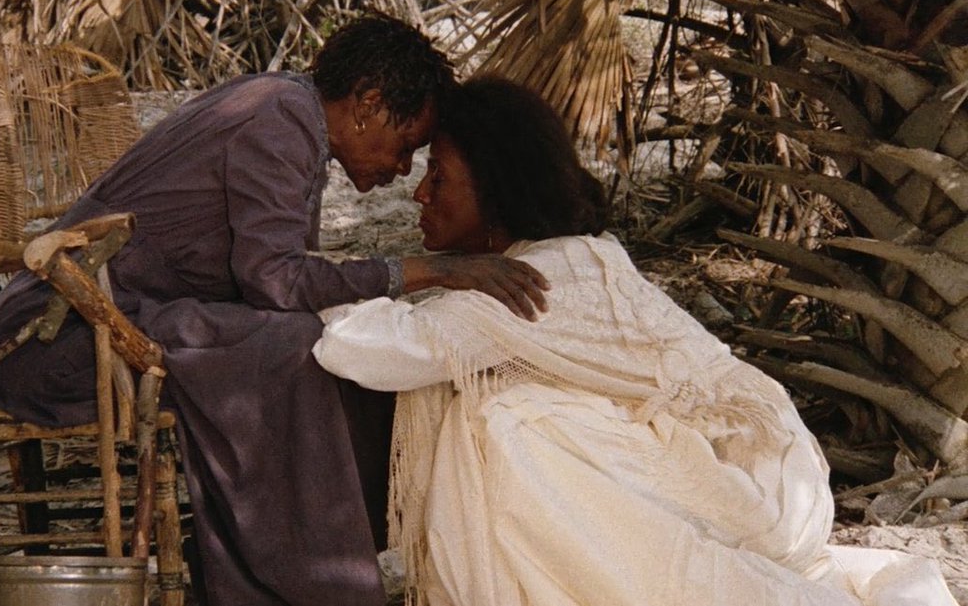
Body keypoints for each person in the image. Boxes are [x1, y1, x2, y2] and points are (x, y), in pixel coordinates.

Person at [312, 77, 959, 606]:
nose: (419, 193)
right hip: (765, 467)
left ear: (497, 194)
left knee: (506, 423)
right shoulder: (565, 255)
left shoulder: (529, 283)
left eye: (439, 176)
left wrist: (400, 272)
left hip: (755, 484)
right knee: (505, 404)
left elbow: (362, 346)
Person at [0, 14, 546, 605]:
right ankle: (301, 583)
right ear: (368, 104)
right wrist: (426, 270)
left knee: (343, 346)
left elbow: (282, 282)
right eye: (406, 146)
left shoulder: (289, 115)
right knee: (299, 347)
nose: (403, 169)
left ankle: (313, 567)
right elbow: (275, 282)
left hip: (114, 324)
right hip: (57, 338)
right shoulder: (280, 118)